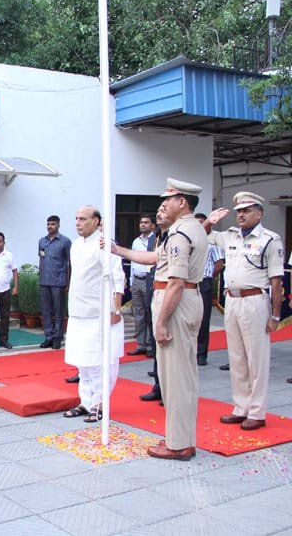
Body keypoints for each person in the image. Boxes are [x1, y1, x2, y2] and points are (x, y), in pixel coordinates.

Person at [112, 178, 207, 461]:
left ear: (183, 202)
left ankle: (177, 444)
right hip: (185, 301)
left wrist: (162, 322)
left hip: (175, 303)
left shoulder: (180, 233)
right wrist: (119, 251)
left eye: (168, 201)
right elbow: (156, 258)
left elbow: (176, 282)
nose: (162, 206)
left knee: (174, 379)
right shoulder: (190, 229)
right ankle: (183, 438)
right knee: (183, 377)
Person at [207, 192, 284, 431]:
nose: (241, 214)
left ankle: (257, 411)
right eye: (239, 211)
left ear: (259, 213)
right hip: (232, 300)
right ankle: (240, 407)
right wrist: (209, 221)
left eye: (247, 210)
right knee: (237, 357)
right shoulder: (229, 236)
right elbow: (199, 236)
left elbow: (276, 281)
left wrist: (275, 315)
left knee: (256, 358)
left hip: (255, 301)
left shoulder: (270, 239)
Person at [61, 206, 125, 422]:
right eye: (76, 218)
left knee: (101, 362)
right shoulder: (76, 245)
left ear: (97, 221)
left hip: (100, 312)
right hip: (79, 310)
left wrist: (116, 308)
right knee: (83, 362)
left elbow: (117, 276)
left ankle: (100, 403)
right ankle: (85, 402)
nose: (78, 223)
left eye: (83, 219)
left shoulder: (105, 243)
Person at [139, 206, 168, 404]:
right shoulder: (154, 238)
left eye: (163, 211)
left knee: (169, 345)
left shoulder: (175, 236)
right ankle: (158, 385)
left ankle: (168, 389)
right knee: (156, 340)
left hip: (170, 291)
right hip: (153, 288)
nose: (159, 214)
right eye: (157, 211)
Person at [194, 212, 225, 366]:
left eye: (202, 222)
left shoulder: (212, 245)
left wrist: (207, 277)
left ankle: (201, 354)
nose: (200, 225)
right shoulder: (190, 243)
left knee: (203, 320)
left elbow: (219, 265)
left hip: (204, 283)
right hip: (189, 284)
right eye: (197, 223)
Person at [38, 215, 72, 349]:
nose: (49, 226)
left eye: (52, 224)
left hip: (58, 281)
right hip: (44, 281)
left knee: (58, 311)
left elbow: (70, 263)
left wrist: (68, 282)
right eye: (48, 224)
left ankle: (58, 337)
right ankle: (48, 336)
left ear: (58, 225)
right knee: (46, 310)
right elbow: (41, 258)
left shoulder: (65, 241)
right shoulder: (42, 241)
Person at [127, 214, 156, 357]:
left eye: (146, 222)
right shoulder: (136, 242)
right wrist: (131, 281)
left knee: (150, 313)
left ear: (152, 225)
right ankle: (141, 344)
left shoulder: (155, 241)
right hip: (137, 281)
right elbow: (133, 262)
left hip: (149, 280)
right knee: (138, 314)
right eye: (141, 222)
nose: (143, 225)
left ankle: (151, 344)